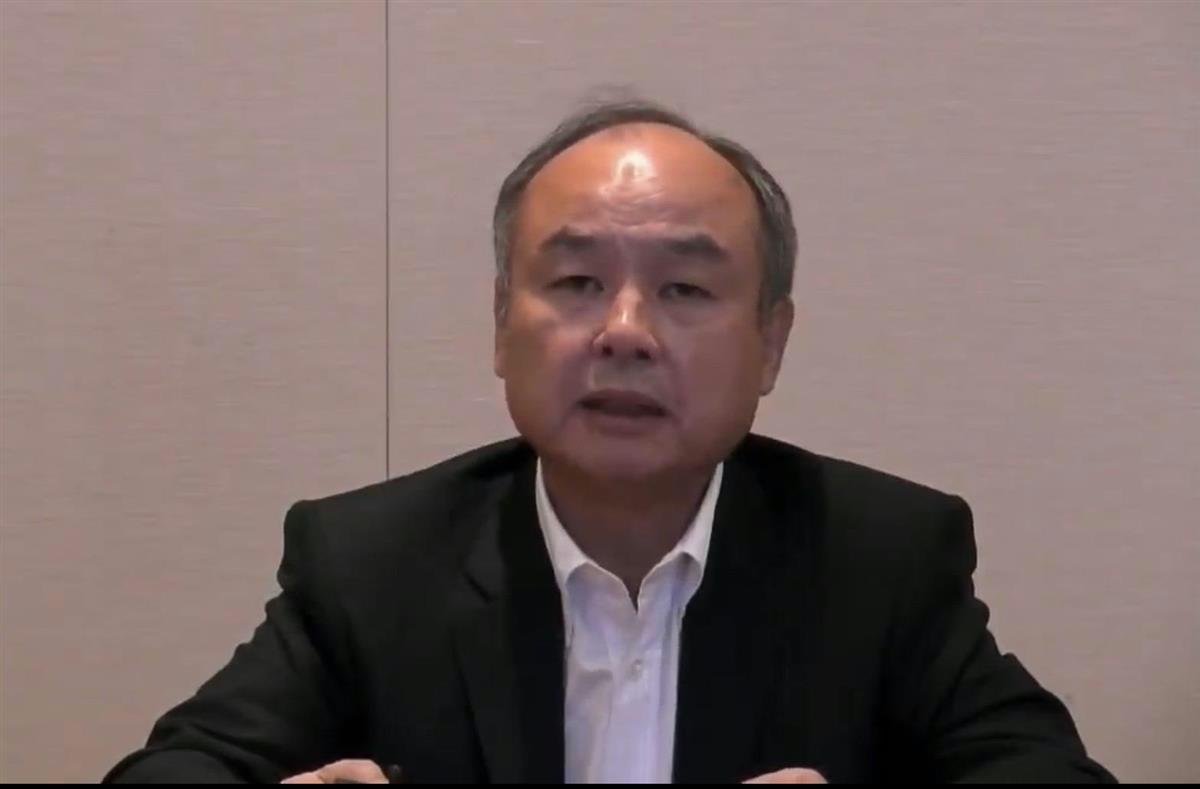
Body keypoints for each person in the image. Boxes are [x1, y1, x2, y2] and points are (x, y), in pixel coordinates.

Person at [104, 99, 1114, 784]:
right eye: (578, 282)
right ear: (502, 325)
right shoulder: (370, 564)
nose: (625, 330)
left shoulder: (880, 560)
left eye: (685, 288)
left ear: (770, 342)